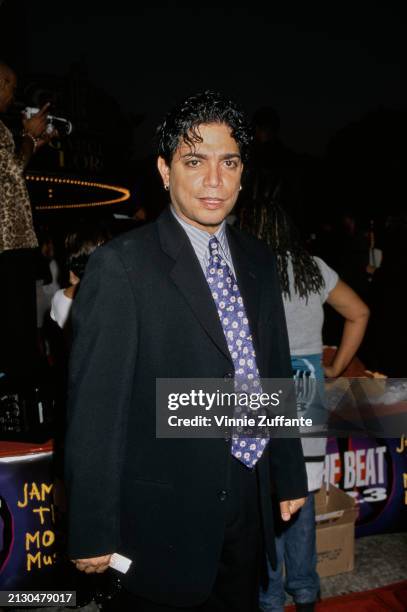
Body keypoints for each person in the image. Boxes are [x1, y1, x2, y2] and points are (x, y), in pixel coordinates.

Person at [64, 90, 308, 612]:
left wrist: (287, 473)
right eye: (194, 161)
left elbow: (272, 371)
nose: (214, 180)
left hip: (248, 494)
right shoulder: (120, 266)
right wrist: (90, 527)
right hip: (160, 512)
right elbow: (95, 411)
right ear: (164, 169)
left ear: (244, 173)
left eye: (229, 162)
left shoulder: (259, 260)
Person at [250, 202, 370, 612]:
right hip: (309, 389)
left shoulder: (250, 267)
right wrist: (335, 365)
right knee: (299, 493)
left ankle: (268, 597)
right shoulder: (313, 268)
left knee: (266, 499)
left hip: (264, 389)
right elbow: (359, 312)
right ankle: (304, 590)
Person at [0, 60, 55, 378]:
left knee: (18, 326)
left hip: (13, 243)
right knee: (16, 327)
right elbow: (11, 169)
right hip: (7, 244)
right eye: (12, 86)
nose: (14, 94)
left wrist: (32, 141)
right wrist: (29, 137)